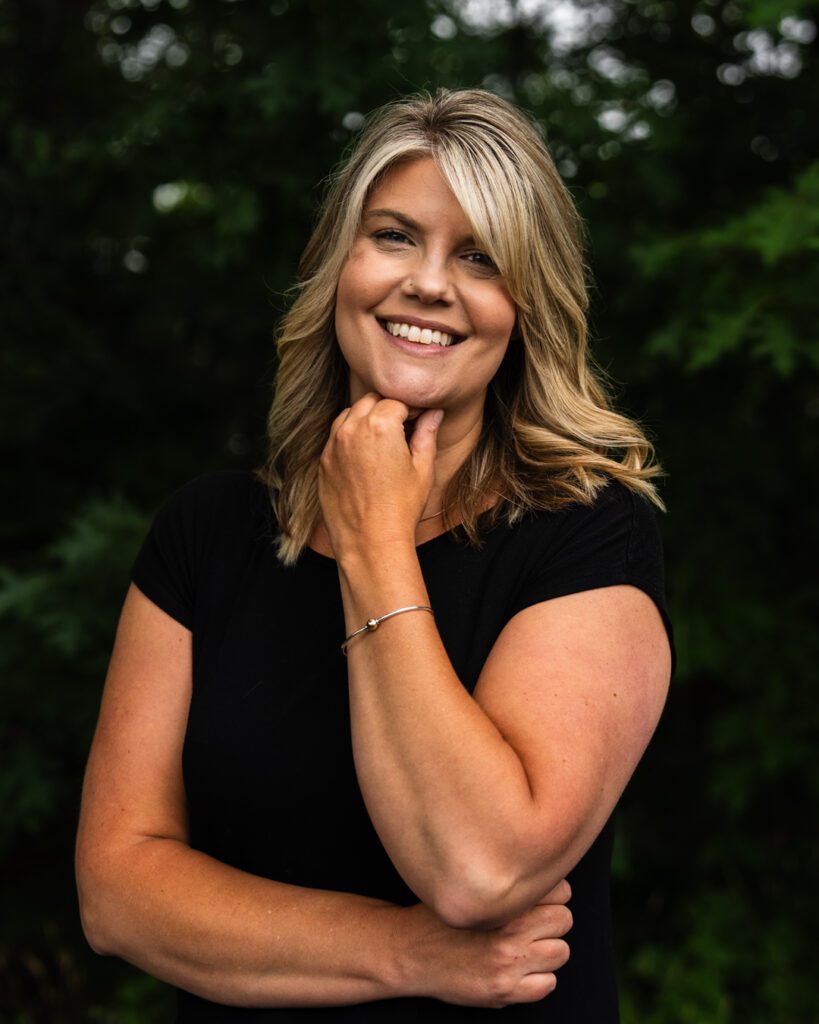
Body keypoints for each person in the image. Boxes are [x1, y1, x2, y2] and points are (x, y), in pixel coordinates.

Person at [75, 88, 673, 1022]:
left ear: (526, 304)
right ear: (336, 267)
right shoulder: (206, 533)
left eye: (478, 256)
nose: (428, 282)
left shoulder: (586, 532)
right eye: (394, 236)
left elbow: (478, 867)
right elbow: (117, 894)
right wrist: (406, 953)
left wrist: (373, 541)